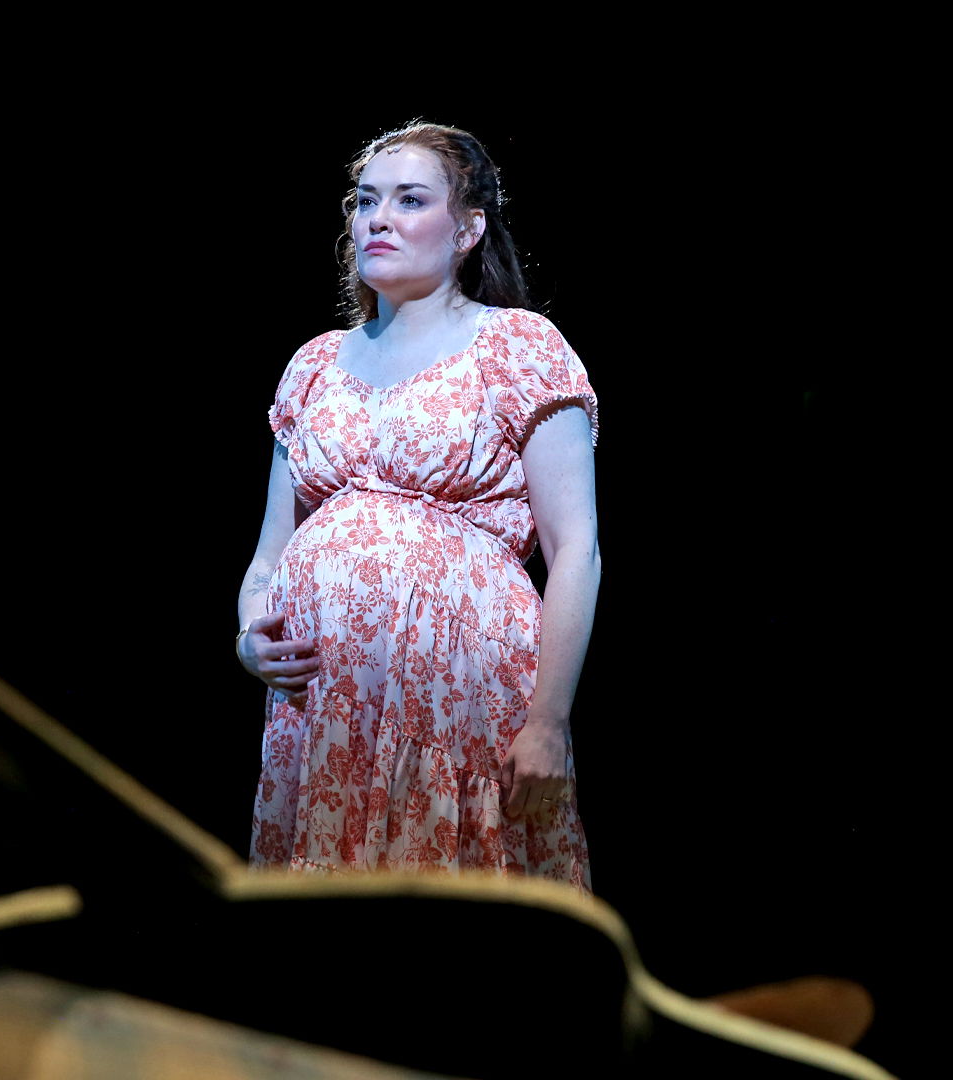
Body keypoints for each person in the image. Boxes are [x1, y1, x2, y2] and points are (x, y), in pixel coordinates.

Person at [237, 123, 600, 890]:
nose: (379, 218)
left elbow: (577, 549)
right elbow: (270, 557)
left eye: (409, 200)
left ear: (467, 229)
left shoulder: (516, 346)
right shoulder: (313, 366)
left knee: (447, 912)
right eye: (366, 200)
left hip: (459, 698)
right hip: (325, 717)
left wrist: (548, 720)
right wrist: (249, 638)